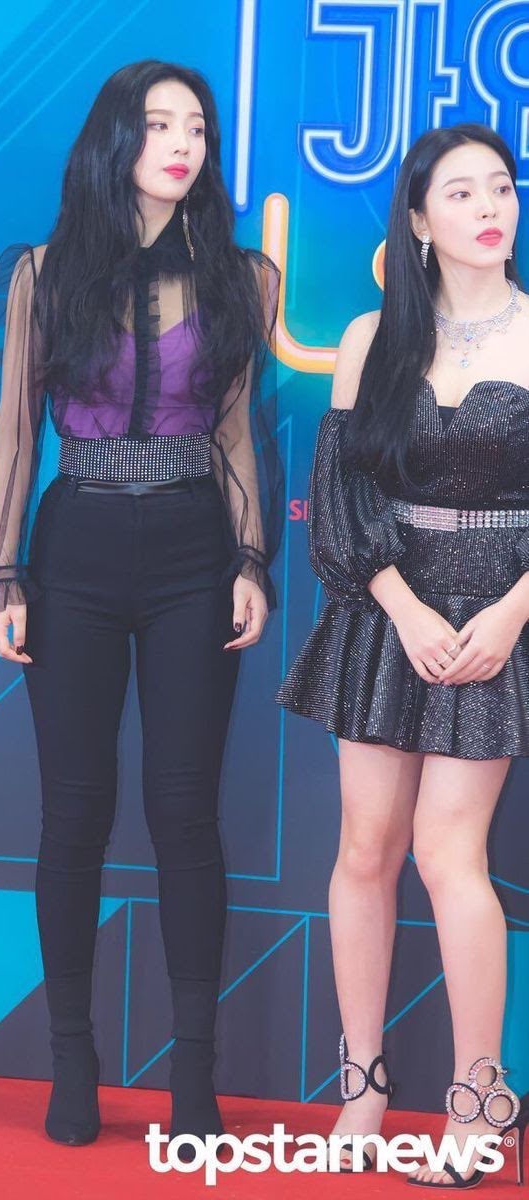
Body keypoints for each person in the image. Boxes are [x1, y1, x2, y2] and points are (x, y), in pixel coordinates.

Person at [0, 60, 282, 1152]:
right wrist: (5, 576)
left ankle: (194, 1074)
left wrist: (251, 560)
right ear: (115, 140)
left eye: (197, 128)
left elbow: (237, 433)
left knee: (185, 812)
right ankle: (72, 1062)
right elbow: (12, 430)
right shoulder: (42, 274)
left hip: (195, 550)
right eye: (159, 124)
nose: (182, 144)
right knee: (75, 812)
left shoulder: (246, 277)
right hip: (77, 550)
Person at [276, 123, 529, 1187]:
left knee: (448, 852)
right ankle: (364, 1091)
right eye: (460, 192)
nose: (489, 206)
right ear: (418, 221)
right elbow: (341, 498)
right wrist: (399, 603)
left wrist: (512, 613)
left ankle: (479, 1102)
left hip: (500, 614)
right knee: (365, 848)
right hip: (388, 609)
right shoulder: (371, 336)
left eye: (501, 186)